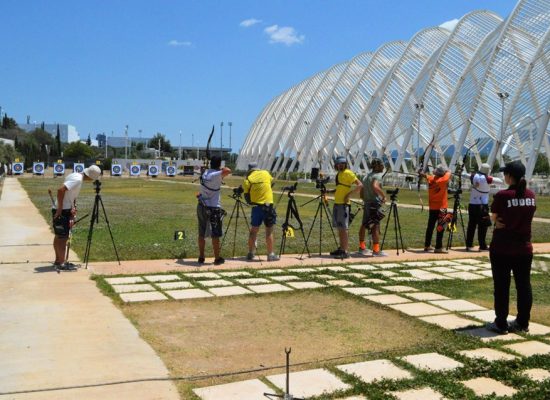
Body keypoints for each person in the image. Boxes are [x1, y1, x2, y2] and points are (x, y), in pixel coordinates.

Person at [486, 160, 536, 334]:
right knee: (524, 286)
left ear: (509, 176)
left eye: (505, 173)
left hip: (502, 248)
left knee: (501, 286)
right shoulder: (530, 195)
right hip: (524, 248)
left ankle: (501, 323)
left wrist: (497, 221)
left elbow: (495, 217)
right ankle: (523, 322)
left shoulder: (502, 196)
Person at [52, 165, 102, 268]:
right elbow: (60, 190)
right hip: (63, 210)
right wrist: (60, 209)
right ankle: (62, 263)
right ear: (90, 177)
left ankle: (58, 261)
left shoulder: (75, 175)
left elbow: (70, 194)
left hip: (66, 209)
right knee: (63, 238)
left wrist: (73, 206)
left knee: (59, 236)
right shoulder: (78, 180)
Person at [196, 155, 231, 265]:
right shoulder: (216, 174)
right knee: (215, 234)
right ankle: (217, 258)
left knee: (201, 233)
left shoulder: (205, 173)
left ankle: (201, 257)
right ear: (219, 164)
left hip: (201, 206)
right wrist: (219, 170)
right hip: (213, 208)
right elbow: (228, 170)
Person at [242, 163, 279, 261]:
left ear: (250, 170)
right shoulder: (266, 173)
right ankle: (270, 254)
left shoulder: (248, 179)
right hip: (268, 206)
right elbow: (272, 183)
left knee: (254, 230)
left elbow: (246, 196)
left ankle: (250, 253)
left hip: (256, 207)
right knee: (269, 230)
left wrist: (251, 201)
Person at [329, 156, 363, 259]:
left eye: (342, 163)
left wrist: (349, 195)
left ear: (345, 164)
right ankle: (341, 248)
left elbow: (360, 185)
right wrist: (328, 191)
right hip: (337, 203)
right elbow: (339, 189)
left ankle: (345, 251)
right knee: (340, 228)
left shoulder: (348, 173)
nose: (340, 165)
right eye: (339, 164)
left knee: (344, 228)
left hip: (343, 205)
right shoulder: (339, 174)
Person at [466, 163, 502, 251]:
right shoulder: (487, 179)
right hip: (482, 205)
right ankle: (482, 245)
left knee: (472, 225)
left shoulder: (473, 176)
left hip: (472, 204)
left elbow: (465, 175)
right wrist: (489, 178)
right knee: (483, 226)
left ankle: (469, 245)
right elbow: (500, 181)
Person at [420, 165, 451, 253]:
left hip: (432, 207)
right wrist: (447, 171)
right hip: (442, 207)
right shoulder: (443, 180)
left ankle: (427, 245)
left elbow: (426, 175)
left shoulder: (431, 179)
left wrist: (422, 173)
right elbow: (449, 173)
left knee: (430, 226)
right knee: (440, 227)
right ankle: (438, 247)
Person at [358, 158, 386, 256]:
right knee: (375, 226)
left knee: (364, 224)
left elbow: (361, 190)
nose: (383, 166)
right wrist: (383, 196)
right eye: (382, 164)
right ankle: (376, 250)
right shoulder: (378, 176)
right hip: (375, 203)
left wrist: (364, 198)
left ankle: (362, 247)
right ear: (377, 166)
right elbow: (375, 186)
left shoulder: (366, 176)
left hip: (367, 203)